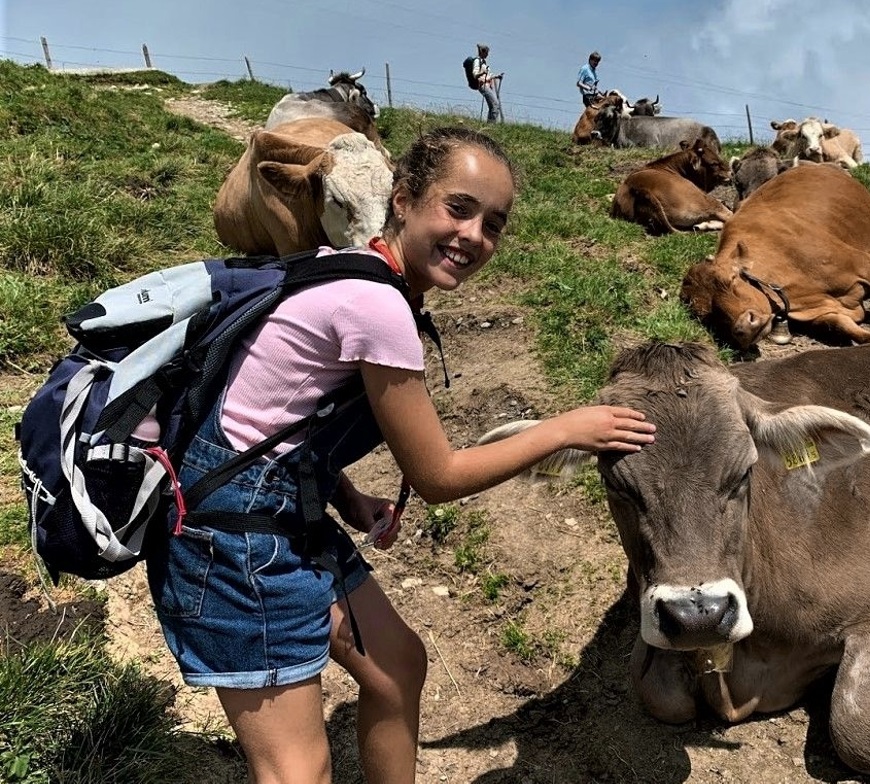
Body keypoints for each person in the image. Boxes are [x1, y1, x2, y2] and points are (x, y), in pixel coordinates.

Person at [145, 127, 655, 784]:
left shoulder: (362, 277)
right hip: (230, 539)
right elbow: (438, 477)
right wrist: (564, 428)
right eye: (459, 208)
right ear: (406, 201)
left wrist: (348, 496)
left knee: (397, 664)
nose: (474, 236)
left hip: (271, 511)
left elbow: (274, 414)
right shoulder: (378, 304)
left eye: (493, 224)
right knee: (296, 769)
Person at [473, 43, 503, 123]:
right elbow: (475, 74)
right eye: (487, 53)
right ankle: (491, 125)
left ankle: (489, 124)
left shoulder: (483, 62)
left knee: (492, 106)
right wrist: (482, 72)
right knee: (495, 105)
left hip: (486, 85)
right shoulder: (477, 61)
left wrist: (497, 76)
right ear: (483, 52)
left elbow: (488, 75)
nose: (487, 55)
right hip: (483, 85)